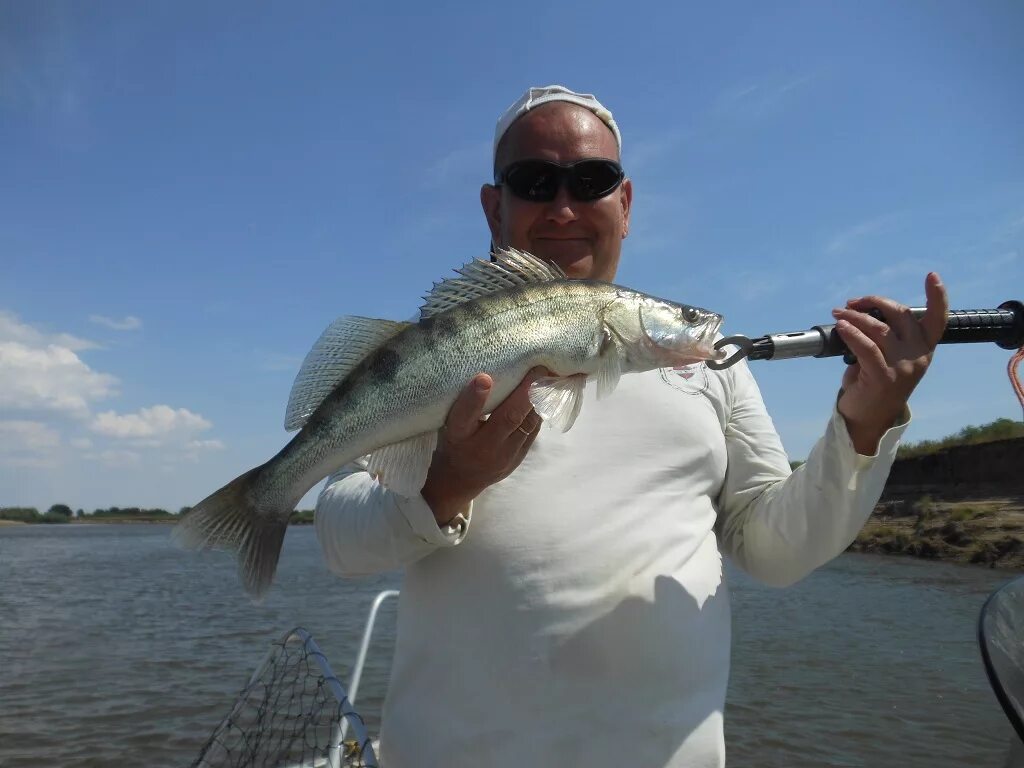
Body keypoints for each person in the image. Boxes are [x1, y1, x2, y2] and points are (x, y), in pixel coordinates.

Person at [315, 85, 948, 767]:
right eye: (534, 181)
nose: (563, 206)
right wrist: (444, 486)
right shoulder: (430, 361)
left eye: (592, 180)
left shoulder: (716, 368)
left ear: (626, 202)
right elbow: (342, 541)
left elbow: (775, 550)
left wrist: (865, 421)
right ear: (494, 207)